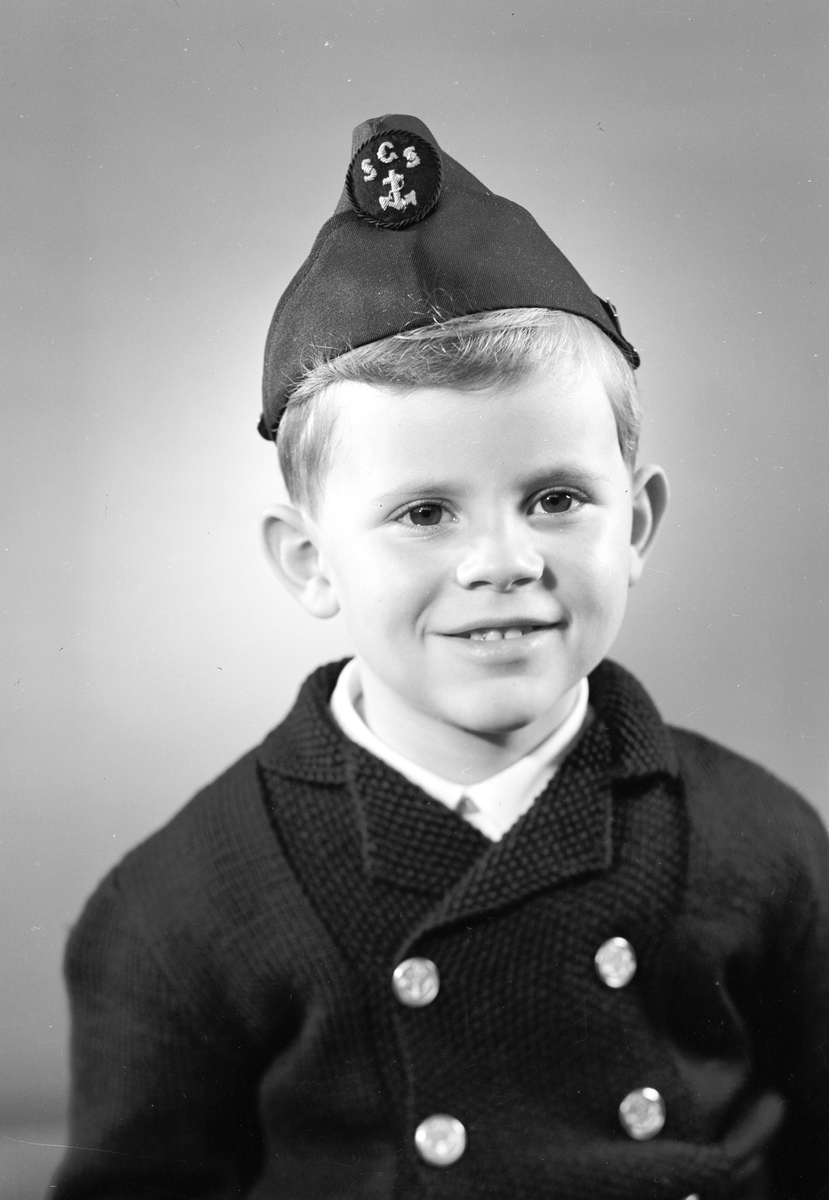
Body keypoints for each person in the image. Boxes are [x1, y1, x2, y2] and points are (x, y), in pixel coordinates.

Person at [52, 114, 829, 1200]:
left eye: (555, 499)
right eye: (424, 513)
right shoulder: (177, 910)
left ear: (636, 525)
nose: (501, 562)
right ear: (311, 563)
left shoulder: (761, 841)